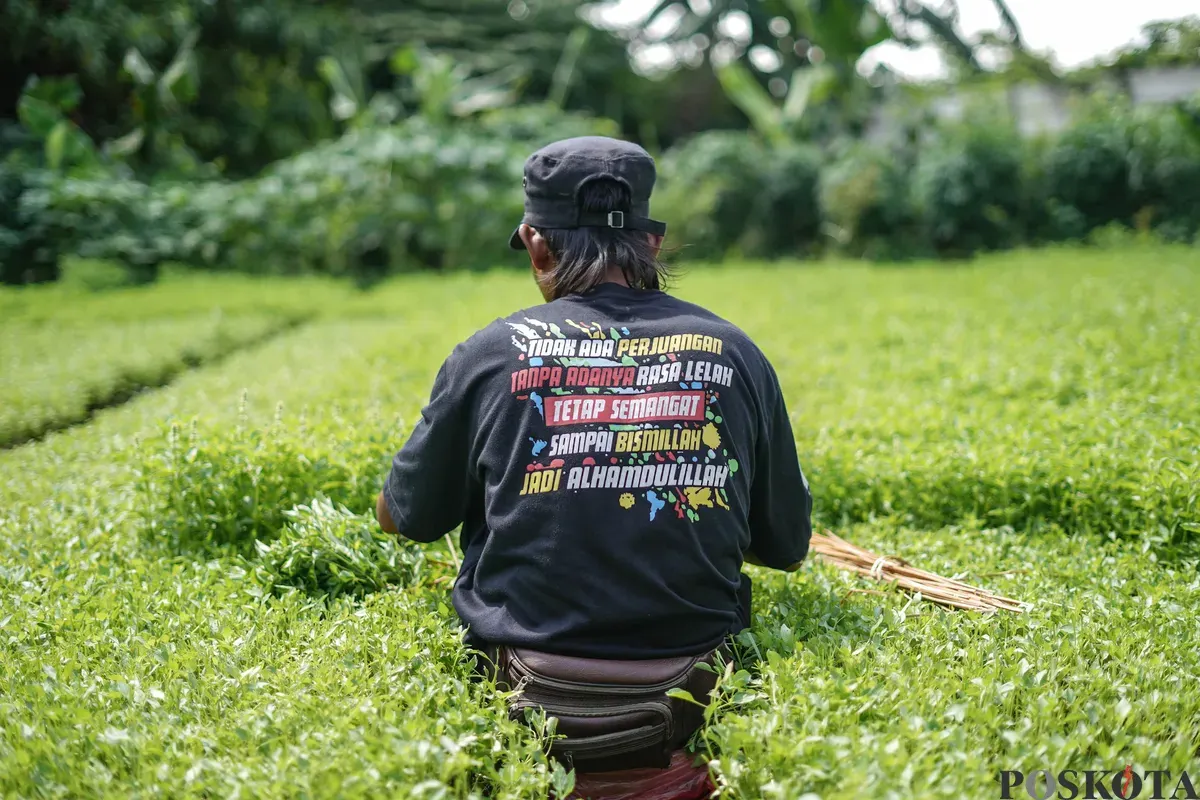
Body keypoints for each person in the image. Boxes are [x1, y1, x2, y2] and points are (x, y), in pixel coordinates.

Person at [375, 136, 812, 792]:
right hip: (688, 697)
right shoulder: (734, 353)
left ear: (536, 245)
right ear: (653, 245)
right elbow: (786, 546)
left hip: (527, 691)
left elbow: (402, 518)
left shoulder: (491, 353)